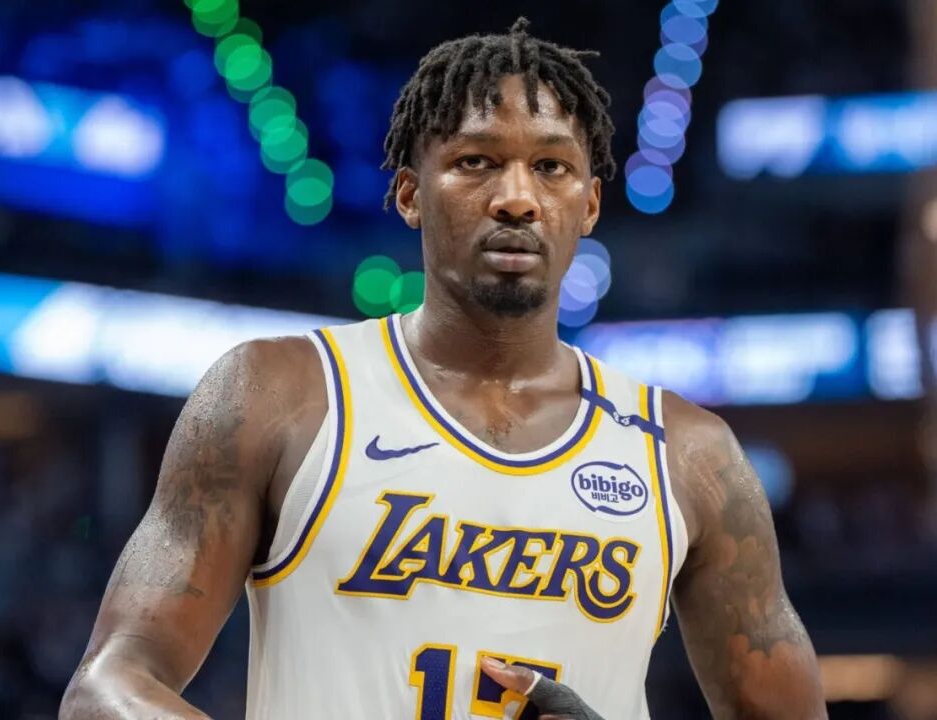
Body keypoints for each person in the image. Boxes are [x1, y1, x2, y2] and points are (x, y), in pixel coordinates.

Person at [60, 18, 827, 720]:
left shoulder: (689, 456)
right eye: (476, 162)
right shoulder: (278, 394)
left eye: (551, 167)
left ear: (590, 205)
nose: (517, 198)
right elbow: (106, 687)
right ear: (410, 194)